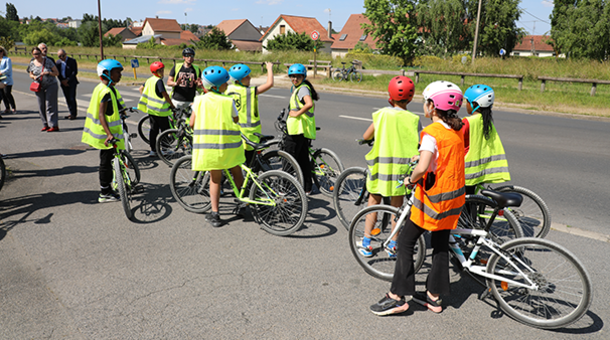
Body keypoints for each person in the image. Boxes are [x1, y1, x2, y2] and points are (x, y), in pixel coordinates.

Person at [370, 81, 465, 316]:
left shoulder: (432, 132)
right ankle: (434, 297)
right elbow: (443, 161)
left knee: (405, 242)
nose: (424, 105)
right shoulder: (456, 130)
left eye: (426, 102)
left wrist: (411, 180)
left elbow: (422, 168)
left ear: (432, 106)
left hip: (431, 201)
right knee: (441, 245)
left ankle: (397, 296)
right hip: (453, 200)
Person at [359, 76, 421, 258]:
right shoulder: (413, 119)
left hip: (381, 170)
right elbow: (418, 142)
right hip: (401, 172)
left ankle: (367, 242)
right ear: (410, 98)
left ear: (389, 97)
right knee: (396, 208)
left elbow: (366, 135)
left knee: (373, 203)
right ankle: (393, 245)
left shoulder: (381, 114)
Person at [189, 66, 244, 228]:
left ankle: (215, 213)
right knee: (237, 172)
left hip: (210, 148)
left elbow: (192, 123)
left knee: (215, 179)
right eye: (225, 82)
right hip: (230, 146)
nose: (227, 85)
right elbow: (235, 119)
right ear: (218, 86)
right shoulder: (228, 101)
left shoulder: (199, 100)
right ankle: (242, 202)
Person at [81, 59, 126, 202]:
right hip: (105, 134)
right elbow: (101, 115)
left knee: (107, 161)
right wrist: (109, 134)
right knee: (105, 164)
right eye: (117, 72)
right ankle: (105, 192)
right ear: (106, 73)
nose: (120, 75)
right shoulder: (106, 91)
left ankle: (108, 189)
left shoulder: (101, 87)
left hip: (102, 133)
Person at [461, 84, 510, 194]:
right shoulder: (486, 121)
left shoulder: (468, 122)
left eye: (467, 102)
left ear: (475, 104)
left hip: (467, 172)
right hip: (482, 169)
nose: (466, 105)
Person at [227, 62, 275, 165]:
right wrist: (269, 68)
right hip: (249, 133)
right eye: (246, 77)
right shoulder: (249, 91)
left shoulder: (227, 90)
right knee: (249, 163)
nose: (250, 78)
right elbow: (269, 84)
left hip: (234, 133)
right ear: (238, 81)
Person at [283, 63, 319, 194]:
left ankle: (284, 188)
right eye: (292, 76)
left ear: (303, 76)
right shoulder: (300, 87)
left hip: (296, 130)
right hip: (302, 129)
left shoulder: (302, 89)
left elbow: (309, 104)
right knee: (303, 159)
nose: (294, 79)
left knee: (288, 159)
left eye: (298, 77)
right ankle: (307, 188)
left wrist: (297, 113)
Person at [138, 61, 175, 157]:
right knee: (165, 130)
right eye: (160, 71)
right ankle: (165, 149)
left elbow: (140, 89)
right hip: (161, 111)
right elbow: (165, 95)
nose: (162, 72)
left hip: (151, 110)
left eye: (162, 70)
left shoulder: (150, 80)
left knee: (153, 130)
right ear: (155, 72)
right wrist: (171, 105)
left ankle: (153, 150)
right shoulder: (159, 81)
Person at [28, 46, 60, 132]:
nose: (37, 56)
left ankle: (53, 125)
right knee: (41, 106)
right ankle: (45, 124)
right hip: (39, 86)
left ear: (41, 53)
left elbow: (56, 73)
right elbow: (30, 74)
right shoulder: (32, 63)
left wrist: (48, 72)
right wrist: (34, 77)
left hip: (51, 85)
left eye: (38, 54)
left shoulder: (48, 61)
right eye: (35, 54)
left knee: (50, 105)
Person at [56, 49, 79, 120]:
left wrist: (67, 80)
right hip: (63, 82)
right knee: (67, 98)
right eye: (59, 56)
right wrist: (62, 81)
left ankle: (74, 114)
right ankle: (71, 112)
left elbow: (74, 72)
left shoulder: (72, 61)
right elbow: (58, 73)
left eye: (62, 55)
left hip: (71, 82)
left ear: (66, 54)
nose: (61, 57)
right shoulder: (58, 63)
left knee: (72, 98)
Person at [0, 46, 16, 115]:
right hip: (0, 80)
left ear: (2, 52)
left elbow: (8, 69)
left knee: (7, 93)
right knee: (2, 94)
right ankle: (7, 108)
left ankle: (13, 107)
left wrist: (1, 72)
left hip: (6, 79)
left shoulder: (7, 59)